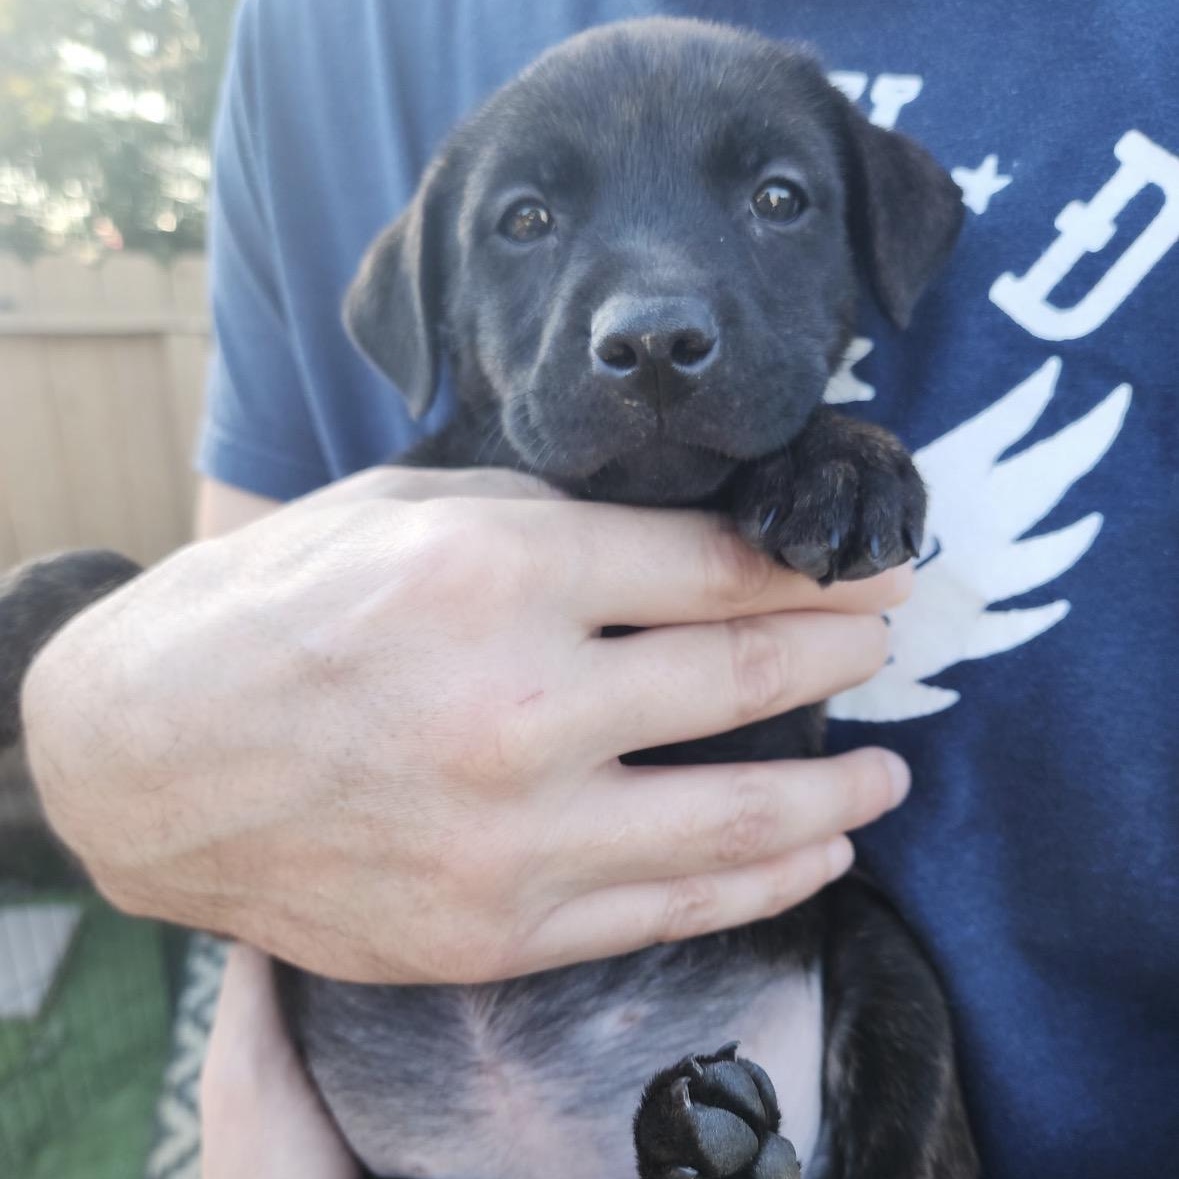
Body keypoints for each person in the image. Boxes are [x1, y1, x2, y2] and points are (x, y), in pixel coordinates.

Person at [21, 1, 1178, 1176]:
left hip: (765, 1063)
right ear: (437, 308)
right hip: (386, 1118)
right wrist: (94, 675)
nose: (651, 317)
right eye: (526, 220)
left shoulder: (816, 471)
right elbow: (242, 683)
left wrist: (829, 454)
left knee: (875, 948)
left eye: (775, 200)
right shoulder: (327, 35)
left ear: (873, 232)